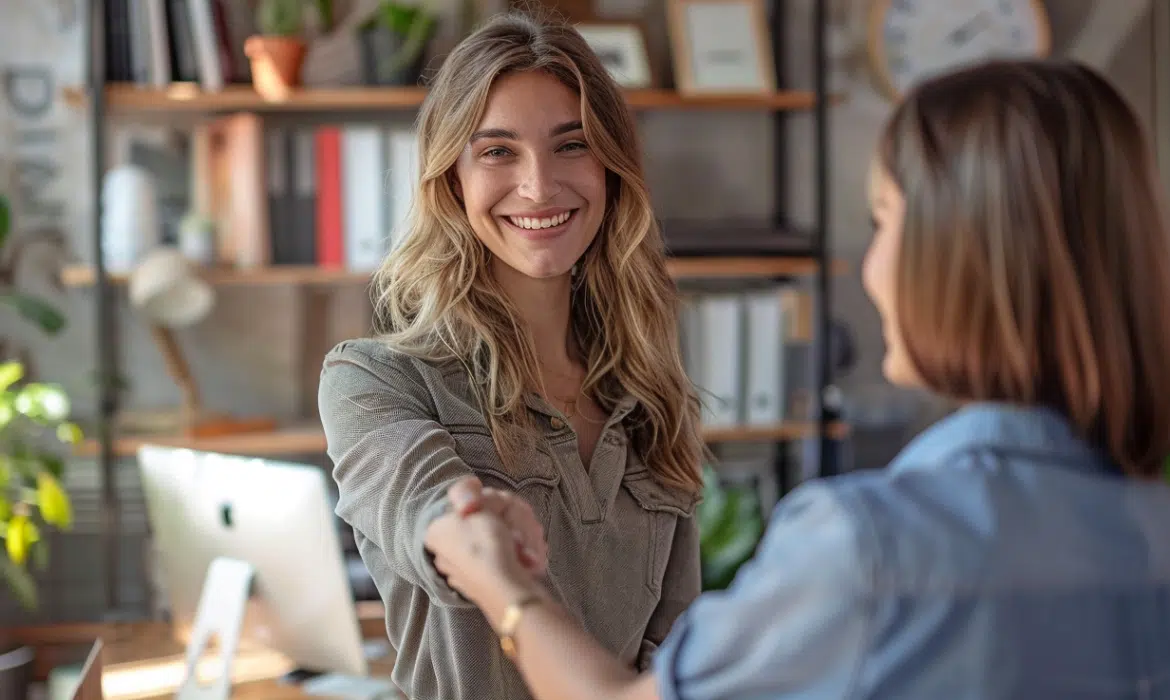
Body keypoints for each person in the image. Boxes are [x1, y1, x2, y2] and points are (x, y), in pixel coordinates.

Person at [423, 58, 1170, 699]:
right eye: (497, 152)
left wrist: (504, 588)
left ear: (958, 260)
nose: (870, 267)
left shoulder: (867, 547)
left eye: (882, 220)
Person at [317, 10, 707, 700]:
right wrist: (471, 527)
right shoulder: (374, 380)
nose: (538, 186)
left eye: (572, 145)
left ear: (612, 168)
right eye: (498, 151)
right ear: (453, 179)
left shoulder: (650, 392)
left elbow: (675, 646)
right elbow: (424, 508)